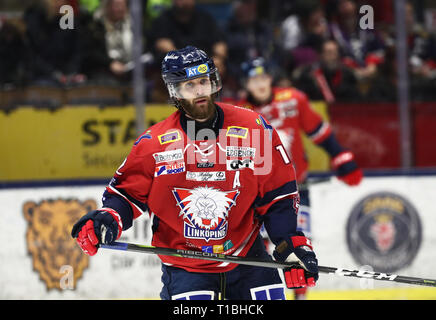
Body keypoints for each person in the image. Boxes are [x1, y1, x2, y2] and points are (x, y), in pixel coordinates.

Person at [71, 45, 319, 300]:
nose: (199, 91)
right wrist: (108, 218)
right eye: (189, 85)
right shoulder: (154, 143)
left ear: (214, 81)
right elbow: (125, 195)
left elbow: (277, 196)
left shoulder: (253, 128)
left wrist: (289, 243)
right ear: (174, 92)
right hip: (186, 266)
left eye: (203, 81)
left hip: (249, 260)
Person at [238, 57, 363, 299]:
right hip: (257, 194)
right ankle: (263, 294)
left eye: (263, 77)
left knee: (298, 245)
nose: (260, 84)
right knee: (259, 249)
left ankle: (301, 296)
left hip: (295, 188)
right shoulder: (240, 113)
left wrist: (341, 157)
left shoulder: (293, 99)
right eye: (254, 80)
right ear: (246, 84)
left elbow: (319, 131)